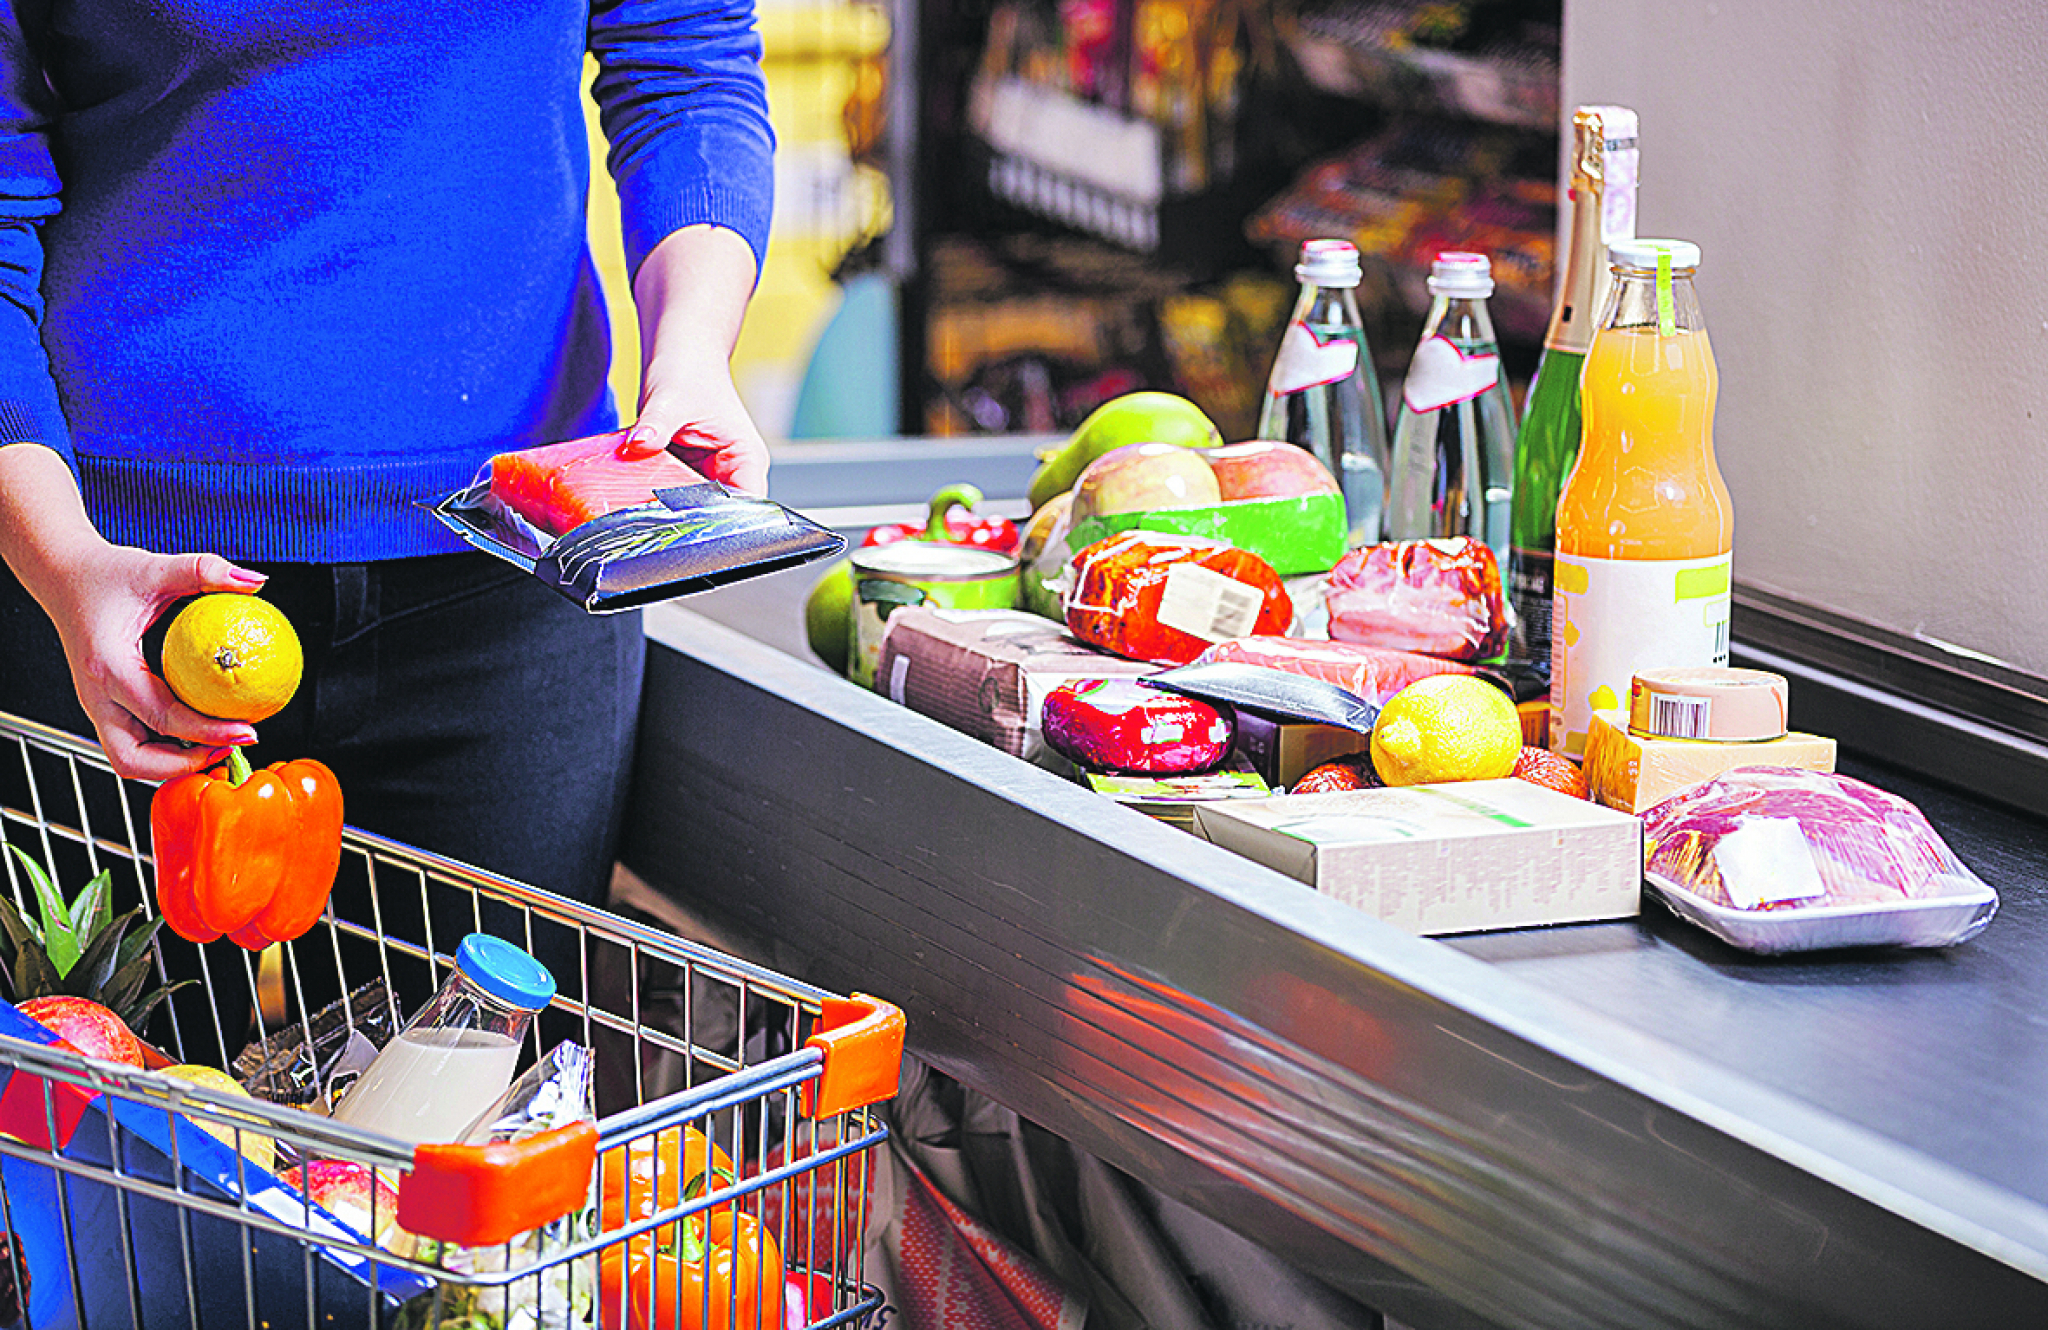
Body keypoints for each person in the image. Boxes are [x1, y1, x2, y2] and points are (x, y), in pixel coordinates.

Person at [0, 3, 776, 951]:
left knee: (477, 1084)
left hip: (514, 572)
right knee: (109, 1088)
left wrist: (692, 352)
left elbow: (682, 62)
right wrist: (59, 558)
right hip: (107, 578)